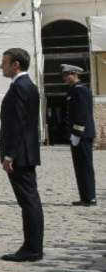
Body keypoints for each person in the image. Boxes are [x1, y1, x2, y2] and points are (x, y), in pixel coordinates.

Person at [0, 48, 43, 262]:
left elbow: (17, 124)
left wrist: (9, 155)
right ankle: (32, 246)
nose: (1, 66)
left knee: (29, 201)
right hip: (26, 151)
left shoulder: (19, 88)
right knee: (30, 200)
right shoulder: (28, 86)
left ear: (16, 65)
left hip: (20, 154)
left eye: (4, 63)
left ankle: (32, 248)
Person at [63, 64, 97, 206]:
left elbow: (82, 114)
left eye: (66, 75)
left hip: (82, 135)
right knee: (79, 167)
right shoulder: (73, 90)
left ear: (75, 74)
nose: (64, 78)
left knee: (85, 166)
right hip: (78, 134)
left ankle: (90, 197)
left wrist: (77, 133)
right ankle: (85, 196)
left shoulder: (80, 91)